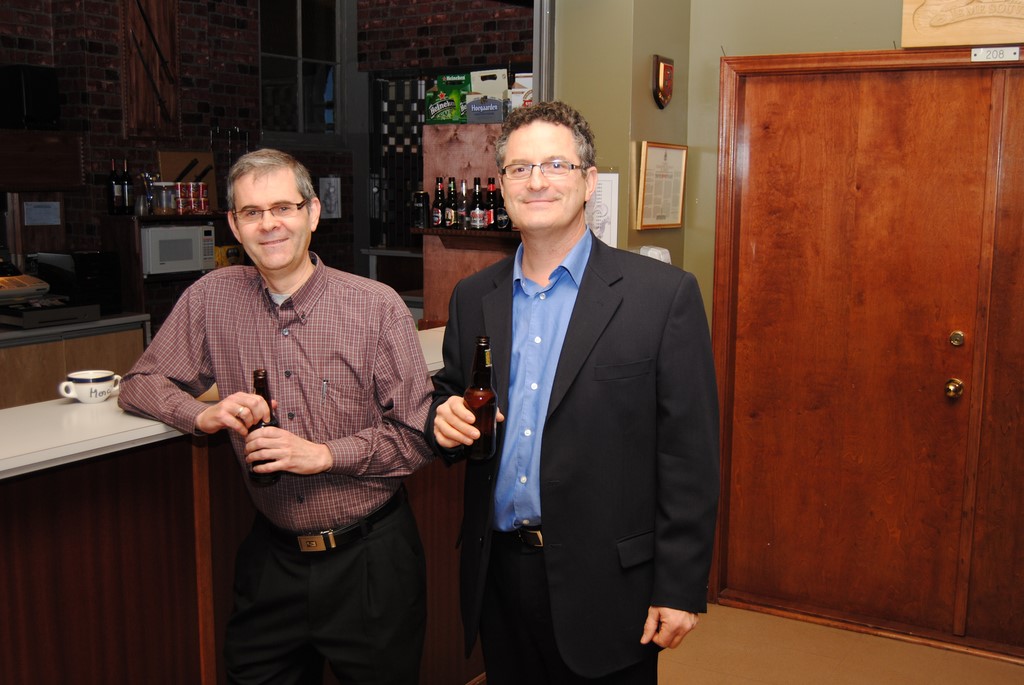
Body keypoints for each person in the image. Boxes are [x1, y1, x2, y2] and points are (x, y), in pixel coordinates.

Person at [426, 101, 720, 683]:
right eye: (520, 168)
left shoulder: (662, 297)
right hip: (499, 576)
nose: (537, 181)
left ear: (589, 183)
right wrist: (443, 418)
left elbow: (690, 456)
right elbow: (454, 392)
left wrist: (680, 586)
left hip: (609, 585)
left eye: (556, 165)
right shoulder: (473, 297)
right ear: (502, 186)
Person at [118, 148, 434, 684]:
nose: (269, 224)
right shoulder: (211, 299)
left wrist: (324, 455)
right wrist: (201, 415)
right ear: (234, 226)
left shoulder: (377, 307)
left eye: (284, 207)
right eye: (252, 212)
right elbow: (139, 383)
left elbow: (416, 437)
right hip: (271, 560)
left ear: (313, 213)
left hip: (369, 562)